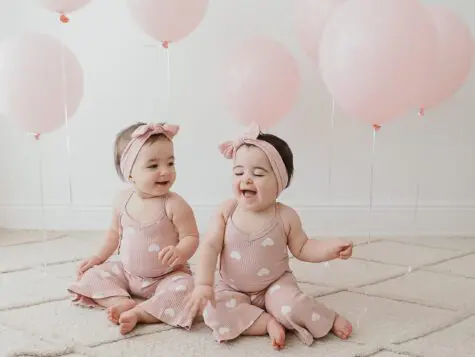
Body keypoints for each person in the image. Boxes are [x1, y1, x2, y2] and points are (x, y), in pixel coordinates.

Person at [186, 123, 353, 350]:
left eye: (258, 174)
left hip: (275, 284)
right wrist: (203, 284)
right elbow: (209, 246)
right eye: (238, 172)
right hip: (232, 287)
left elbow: (304, 247)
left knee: (292, 307)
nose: (246, 179)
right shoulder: (227, 211)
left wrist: (330, 249)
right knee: (213, 312)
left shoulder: (285, 216)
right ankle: (266, 323)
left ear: (279, 183)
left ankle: (328, 318)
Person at [68, 122, 199, 335]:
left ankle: (142, 313)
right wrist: (97, 258)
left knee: (188, 290)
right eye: (153, 166)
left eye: (170, 163)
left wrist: (181, 251)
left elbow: (191, 236)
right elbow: (113, 235)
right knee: (91, 275)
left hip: (166, 276)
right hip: (128, 274)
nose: (165, 171)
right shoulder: (122, 201)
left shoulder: (175, 204)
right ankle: (121, 300)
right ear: (130, 173)